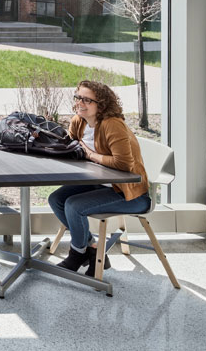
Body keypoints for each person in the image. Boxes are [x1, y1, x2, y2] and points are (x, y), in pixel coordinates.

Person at [48, 80, 151, 275]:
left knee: (74, 206)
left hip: (130, 194)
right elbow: (72, 151)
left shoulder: (112, 125)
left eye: (87, 100)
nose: (80, 103)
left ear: (101, 105)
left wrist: (90, 155)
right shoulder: (78, 121)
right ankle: (92, 250)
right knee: (56, 199)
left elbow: (124, 164)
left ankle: (77, 254)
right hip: (99, 185)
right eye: (78, 98)